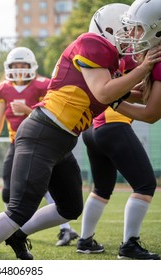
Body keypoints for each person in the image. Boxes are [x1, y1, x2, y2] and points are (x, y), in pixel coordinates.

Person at [0, 3, 161, 260]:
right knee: (19, 209)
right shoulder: (92, 43)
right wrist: (145, 69)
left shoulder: (109, 63)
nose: (131, 36)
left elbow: (130, 96)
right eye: (127, 30)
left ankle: (18, 234)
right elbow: (104, 93)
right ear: (109, 30)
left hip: (62, 139)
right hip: (44, 132)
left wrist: (150, 80)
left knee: (69, 206)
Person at [77, 0, 161, 260]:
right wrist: (116, 101)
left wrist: (118, 99)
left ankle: (85, 240)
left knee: (101, 188)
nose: (133, 36)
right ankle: (129, 245)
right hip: (111, 126)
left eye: (137, 29)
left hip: (94, 128)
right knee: (145, 184)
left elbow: (141, 98)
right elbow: (150, 114)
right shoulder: (151, 58)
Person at [0, 47, 77, 252]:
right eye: (15, 66)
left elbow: (50, 112)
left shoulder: (42, 85)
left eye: (22, 65)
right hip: (15, 143)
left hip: (40, 142)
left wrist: (27, 111)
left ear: (31, 67)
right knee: (9, 190)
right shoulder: (3, 89)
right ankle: (12, 227)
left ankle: (65, 228)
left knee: (43, 187)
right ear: (8, 67)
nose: (18, 70)